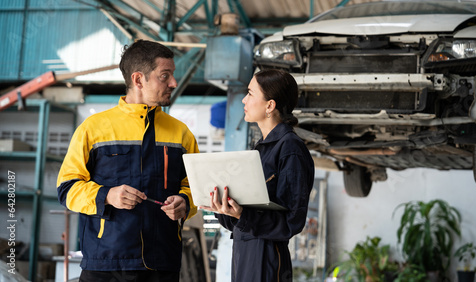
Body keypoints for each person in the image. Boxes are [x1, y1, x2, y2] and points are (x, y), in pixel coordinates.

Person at [56, 39, 199, 282]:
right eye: (165, 76)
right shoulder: (94, 129)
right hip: (105, 264)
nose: (173, 83)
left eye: (173, 75)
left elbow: (197, 187)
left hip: (162, 264)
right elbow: (67, 189)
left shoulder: (181, 133)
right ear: (138, 79)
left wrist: (185, 201)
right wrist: (107, 196)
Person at [201, 69, 315, 281]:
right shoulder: (260, 150)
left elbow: (292, 221)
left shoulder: (290, 149)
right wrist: (223, 209)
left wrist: (243, 215)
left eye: (250, 93)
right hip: (244, 254)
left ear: (270, 105)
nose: (244, 99)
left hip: (267, 258)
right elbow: (240, 221)